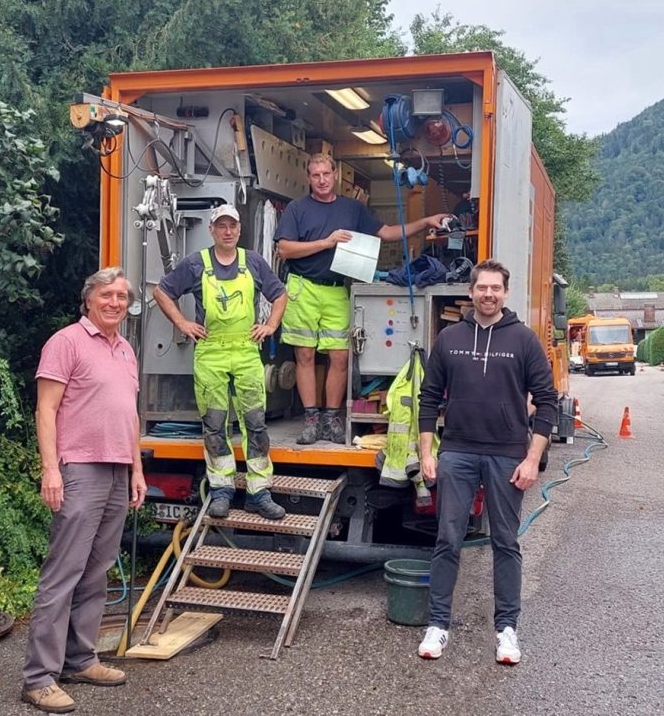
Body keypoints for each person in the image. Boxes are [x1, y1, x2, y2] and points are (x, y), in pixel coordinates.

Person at [416, 259, 557, 665]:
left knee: (505, 542)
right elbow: (429, 399)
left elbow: (547, 402)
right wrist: (427, 453)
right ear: (472, 291)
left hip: (507, 454)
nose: (489, 294)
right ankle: (438, 625)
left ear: (505, 293)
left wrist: (532, 459)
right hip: (457, 451)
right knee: (447, 539)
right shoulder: (449, 339)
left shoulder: (525, 341)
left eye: (496, 288)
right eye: (482, 288)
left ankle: (507, 630)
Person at [22, 267, 147, 713]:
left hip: (117, 471)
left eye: (122, 296)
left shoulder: (126, 350)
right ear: (89, 299)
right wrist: (50, 470)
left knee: (96, 573)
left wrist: (136, 470)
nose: (115, 302)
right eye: (107, 295)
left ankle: (80, 659)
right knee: (63, 574)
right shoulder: (66, 342)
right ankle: (38, 677)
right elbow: (46, 409)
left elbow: (129, 416)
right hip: (79, 470)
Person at [275, 153, 453, 445]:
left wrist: (425, 222)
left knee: (341, 357)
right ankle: (311, 420)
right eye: (315, 175)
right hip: (302, 287)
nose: (321, 180)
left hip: (336, 289)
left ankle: (331, 418)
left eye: (326, 174)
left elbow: (387, 233)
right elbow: (284, 250)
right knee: (304, 356)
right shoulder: (297, 209)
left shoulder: (353, 209)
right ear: (308, 178)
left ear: (335, 175)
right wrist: (327, 242)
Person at [153, 204, 288, 520]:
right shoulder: (196, 264)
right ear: (212, 230)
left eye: (233, 226)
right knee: (215, 424)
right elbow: (162, 291)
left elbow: (280, 295)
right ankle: (221, 490)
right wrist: (182, 323)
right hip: (210, 352)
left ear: (239, 230)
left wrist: (270, 326)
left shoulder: (252, 262)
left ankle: (259, 492)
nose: (228, 231)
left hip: (245, 351)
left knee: (255, 422)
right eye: (222, 226)